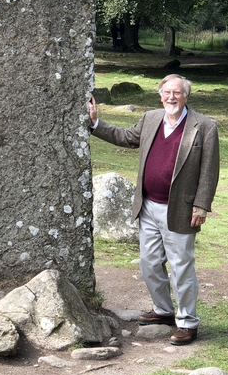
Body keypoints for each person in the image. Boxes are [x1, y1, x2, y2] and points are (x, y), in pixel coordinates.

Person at [88, 74, 219, 345]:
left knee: (181, 267)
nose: (172, 97)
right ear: (160, 95)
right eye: (167, 92)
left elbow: (209, 170)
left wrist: (202, 205)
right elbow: (125, 137)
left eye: (178, 93)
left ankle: (188, 322)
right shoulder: (151, 118)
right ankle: (163, 310)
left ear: (186, 96)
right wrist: (95, 123)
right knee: (149, 264)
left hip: (180, 209)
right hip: (147, 206)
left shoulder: (204, 126)